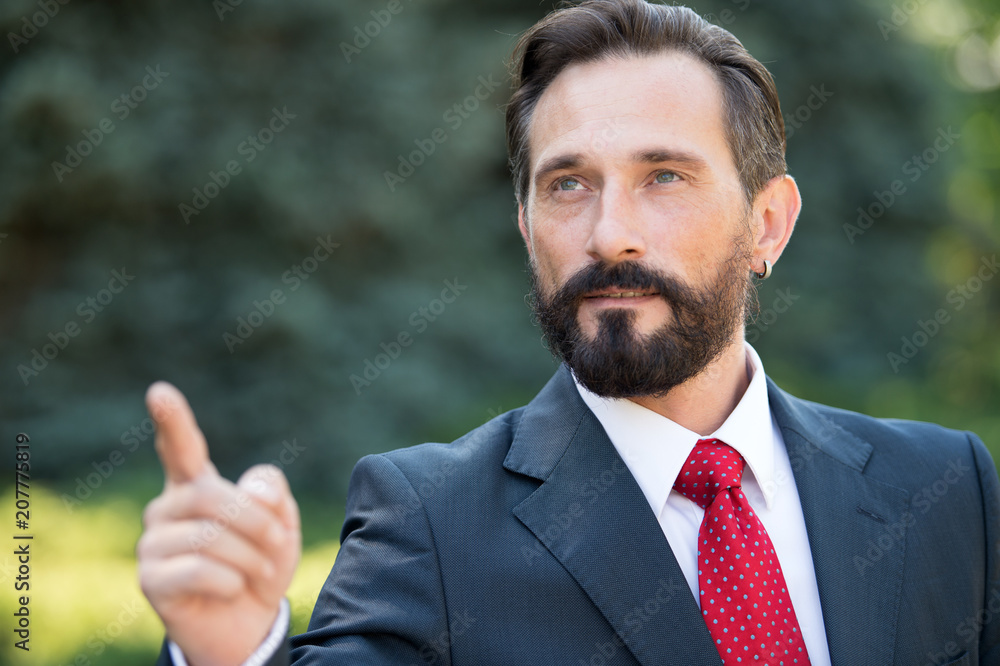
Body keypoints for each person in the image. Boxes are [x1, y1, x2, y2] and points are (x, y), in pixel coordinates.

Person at [138, 1, 1000, 664]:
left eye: (664, 176)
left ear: (767, 225)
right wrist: (234, 648)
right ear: (526, 227)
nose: (607, 234)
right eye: (567, 185)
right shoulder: (428, 523)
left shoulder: (947, 490)